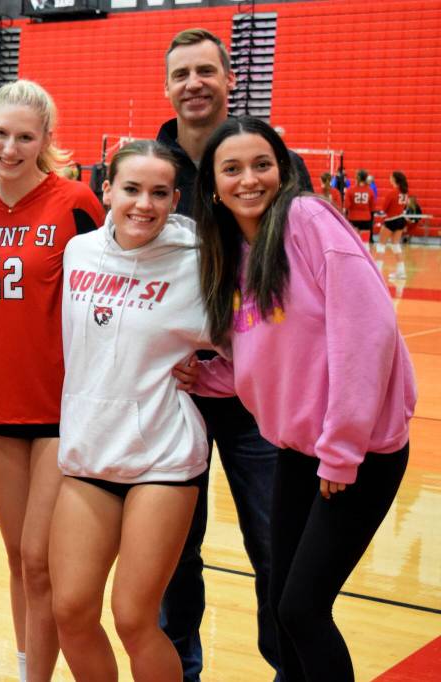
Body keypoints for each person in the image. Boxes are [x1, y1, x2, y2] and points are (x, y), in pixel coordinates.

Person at [186, 116, 414, 682]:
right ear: (213, 185)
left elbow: (368, 331)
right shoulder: (235, 253)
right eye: (231, 169)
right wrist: (208, 379)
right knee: (281, 613)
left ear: (282, 170)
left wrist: (342, 448)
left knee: (302, 609)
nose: (249, 179)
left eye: (261, 164)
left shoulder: (307, 219)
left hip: (359, 456)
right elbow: (262, 354)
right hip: (297, 451)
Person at [156, 28, 316, 680]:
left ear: (228, 80)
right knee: (170, 549)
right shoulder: (151, 166)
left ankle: (288, 667)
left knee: (275, 545)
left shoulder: (270, 161)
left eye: (205, 71)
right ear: (167, 87)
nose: (193, 83)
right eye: (181, 73)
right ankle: (177, 670)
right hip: (175, 396)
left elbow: (302, 278)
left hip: (260, 397)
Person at [50, 140, 209, 682]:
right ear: (107, 191)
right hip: (89, 453)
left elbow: (255, 342)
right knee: (70, 610)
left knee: (134, 617)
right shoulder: (79, 252)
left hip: (162, 457)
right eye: (132, 190)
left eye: (159, 193)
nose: (144, 204)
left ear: (175, 199)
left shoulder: (198, 257)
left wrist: (213, 373)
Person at [0, 79, 103, 682]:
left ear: (46, 139)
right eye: (1, 133)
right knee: (18, 559)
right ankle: (28, 668)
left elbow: (114, 285)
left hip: (60, 409)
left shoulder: (74, 201)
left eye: (25, 136)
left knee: (42, 561)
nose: (11, 147)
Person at [375, 170, 409, 280]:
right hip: (400, 220)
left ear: (395, 179)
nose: (389, 178)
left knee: (381, 245)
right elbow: (403, 207)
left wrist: (379, 213)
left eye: (391, 177)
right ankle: (401, 272)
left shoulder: (392, 193)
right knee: (396, 245)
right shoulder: (405, 193)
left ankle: (377, 271)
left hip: (391, 220)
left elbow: (384, 209)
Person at [344, 168, 375, 242]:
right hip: (366, 219)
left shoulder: (350, 190)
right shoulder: (370, 191)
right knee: (365, 243)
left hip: (353, 218)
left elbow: (347, 205)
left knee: (353, 242)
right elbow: (372, 207)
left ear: (356, 177)